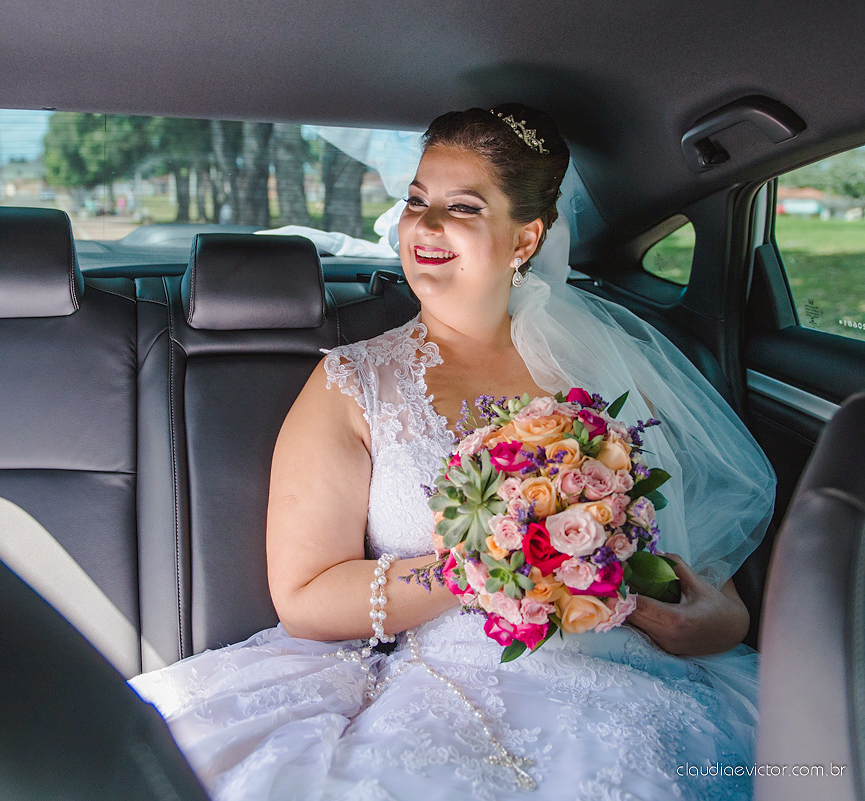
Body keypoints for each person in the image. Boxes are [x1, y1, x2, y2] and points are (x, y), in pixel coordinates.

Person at [131, 105, 775, 800]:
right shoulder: (353, 383)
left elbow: (718, 600)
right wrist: (480, 568)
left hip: (640, 686)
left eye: (461, 207)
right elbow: (306, 597)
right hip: (455, 690)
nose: (425, 226)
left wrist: (699, 624)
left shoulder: (612, 374)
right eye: (416, 201)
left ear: (525, 236)